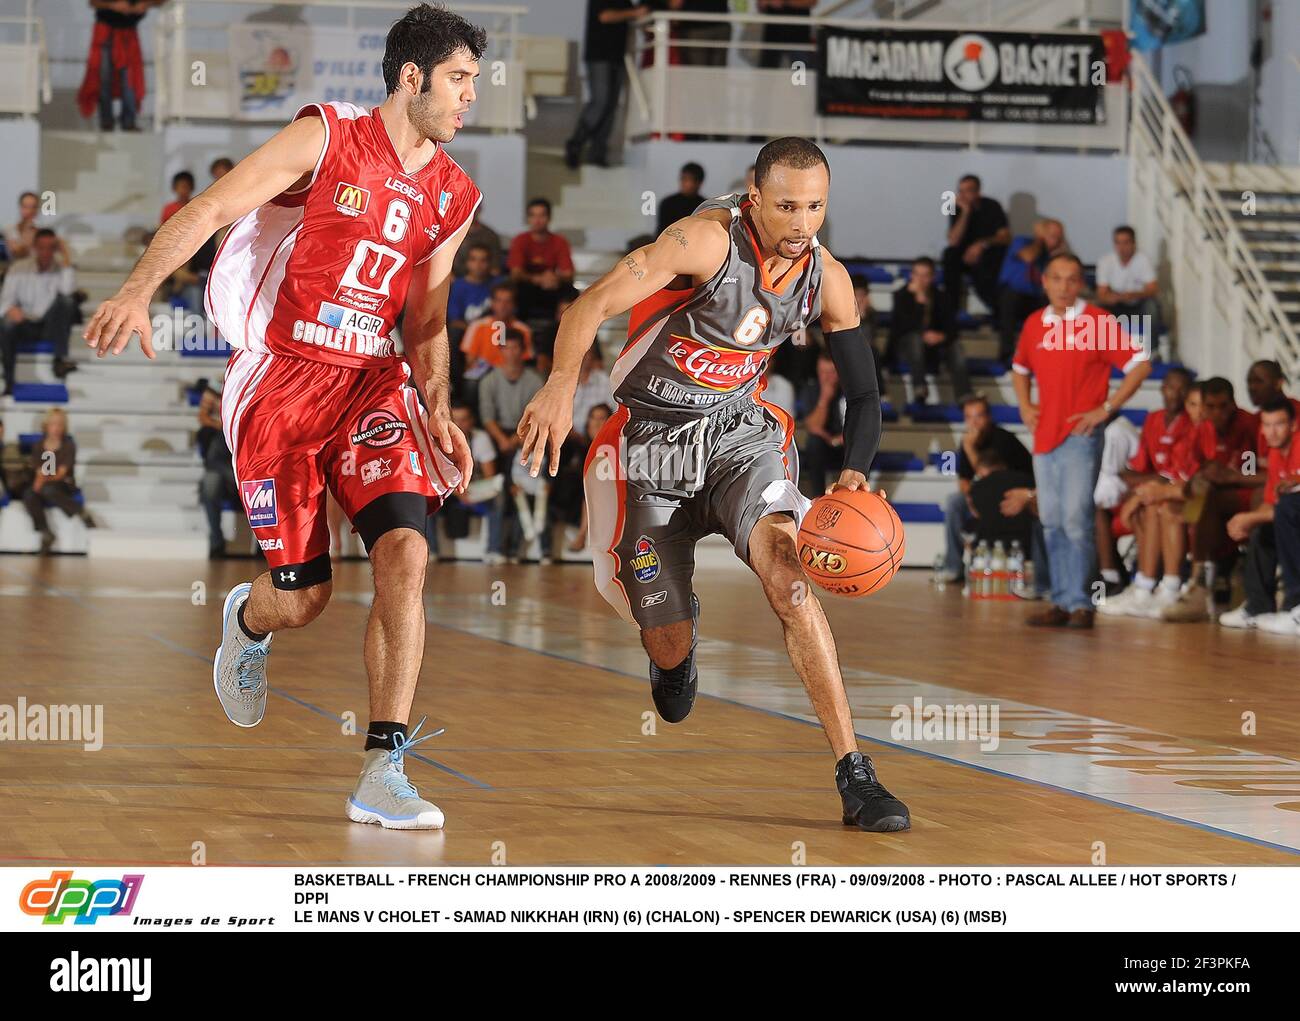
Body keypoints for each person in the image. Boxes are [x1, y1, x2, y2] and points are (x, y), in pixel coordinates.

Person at [84, 3, 485, 831]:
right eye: (458, 79)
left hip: (373, 383)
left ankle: (382, 766)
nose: (469, 95)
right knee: (305, 597)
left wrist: (439, 405)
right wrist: (137, 287)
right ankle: (247, 617)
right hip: (282, 381)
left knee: (406, 554)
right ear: (411, 77)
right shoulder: (325, 136)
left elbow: (429, 321)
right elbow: (209, 211)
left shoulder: (454, 191)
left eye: (473, 80)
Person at [517, 136, 910, 832]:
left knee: (790, 582)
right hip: (652, 443)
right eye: (787, 205)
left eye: (815, 206)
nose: (801, 222)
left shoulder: (830, 279)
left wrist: (855, 469)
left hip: (740, 438)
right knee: (664, 636)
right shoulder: (701, 243)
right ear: (754, 198)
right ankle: (676, 653)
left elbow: (866, 394)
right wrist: (557, 385)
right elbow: (589, 305)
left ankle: (856, 771)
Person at [1012, 253, 1151, 628]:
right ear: (1045, 281)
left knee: (1076, 520)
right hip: (1044, 437)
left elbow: (1140, 364)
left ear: (1081, 283)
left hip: (1080, 436)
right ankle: (1060, 600)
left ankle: (1081, 604)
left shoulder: (1097, 321)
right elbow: (1020, 368)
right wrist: (1025, 404)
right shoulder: (1034, 324)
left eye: (1071, 279)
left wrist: (1106, 408)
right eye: (1056, 278)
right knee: (1053, 521)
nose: (1063, 286)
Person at [1100, 367, 1196, 618]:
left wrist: (1149, 489)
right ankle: (1142, 586)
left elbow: (1186, 479)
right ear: (1161, 389)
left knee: (1157, 505)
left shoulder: (1194, 426)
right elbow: (1134, 471)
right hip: (1155, 490)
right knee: (1145, 505)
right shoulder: (1154, 419)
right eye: (1170, 386)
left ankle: (1162, 585)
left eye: (1182, 388)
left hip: (1184, 496)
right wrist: (1144, 489)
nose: (1175, 393)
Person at [1219, 398, 1300, 633]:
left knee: (1283, 509)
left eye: (1279, 424)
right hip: (1291, 515)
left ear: (1293, 425)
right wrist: (1246, 519)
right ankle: (1258, 605)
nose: (1272, 432)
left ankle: (1296, 605)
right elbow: (1270, 504)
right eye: (1267, 425)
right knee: (1263, 527)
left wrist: (1252, 517)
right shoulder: (1275, 454)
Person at [942, 393, 1038, 585]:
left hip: (1018, 493)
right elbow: (964, 479)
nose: (974, 423)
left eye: (978, 416)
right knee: (953, 502)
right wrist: (970, 499)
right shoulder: (968, 441)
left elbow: (991, 479)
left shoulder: (1003, 439)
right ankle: (953, 566)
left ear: (988, 417)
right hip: (984, 495)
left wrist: (969, 448)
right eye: (969, 417)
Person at [479, 329, 544, 563]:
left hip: (525, 437)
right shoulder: (489, 380)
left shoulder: (535, 380)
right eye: (508, 347)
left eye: (517, 347)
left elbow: (535, 416)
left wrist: (515, 440)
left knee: (520, 489)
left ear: (523, 351)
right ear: (501, 350)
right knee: (497, 487)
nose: (512, 352)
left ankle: (516, 549)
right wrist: (502, 440)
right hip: (496, 437)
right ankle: (494, 548)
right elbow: (487, 416)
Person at [566, 1, 648, 169]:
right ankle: (576, 144)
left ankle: (598, 152)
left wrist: (635, 13)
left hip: (616, 57)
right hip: (599, 56)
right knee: (600, 102)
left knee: (610, 106)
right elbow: (605, 16)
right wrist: (633, 13)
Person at [0, 229, 79, 387]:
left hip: (50, 326)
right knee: (6, 324)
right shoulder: (18, 268)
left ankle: (59, 360)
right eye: (42, 247)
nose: (46, 252)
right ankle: (9, 380)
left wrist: (66, 257)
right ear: (35, 248)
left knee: (66, 303)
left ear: (55, 249)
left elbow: (68, 291)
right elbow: (5, 300)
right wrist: (11, 309)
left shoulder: (60, 269)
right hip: (25, 324)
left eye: (51, 247)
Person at [887, 255, 968, 405]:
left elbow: (952, 327)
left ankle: (964, 395)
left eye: (925, 275)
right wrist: (919, 305)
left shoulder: (942, 297)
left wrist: (941, 336)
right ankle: (919, 387)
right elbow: (901, 328)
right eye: (917, 274)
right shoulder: (901, 296)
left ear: (932, 277)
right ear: (912, 275)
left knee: (956, 347)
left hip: (934, 348)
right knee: (914, 339)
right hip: (908, 348)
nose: (921, 280)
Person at [22, 408, 96, 553]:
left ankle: (80, 512)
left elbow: (61, 473)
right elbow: (39, 469)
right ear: (46, 426)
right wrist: (38, 481)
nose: (56, 428)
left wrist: (42, 479)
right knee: (29, 494)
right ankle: (46, 532)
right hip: (45, 482)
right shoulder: (39, 446)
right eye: (53, 424)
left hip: (63, 484)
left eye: (60, 425)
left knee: (47, 489)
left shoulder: (68, 445)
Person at [997, 218, 1068, 364]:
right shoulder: (1022, 242)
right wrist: (1039, 241)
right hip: (1011, 295)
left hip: (1034, 298)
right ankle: (1007, 355)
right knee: (1009, 300)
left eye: (1059, 238)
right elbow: (1028, 257)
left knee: (1056, 306)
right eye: (1053, 236)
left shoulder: (1050, 258)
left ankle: (1049, 353)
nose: (1056, 241)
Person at [80, 0, 154, 132]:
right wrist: (113, 6)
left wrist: (145, 4)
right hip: (106, 31)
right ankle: (106, 121)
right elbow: (93, 2)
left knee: (130, 80)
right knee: (104, 78)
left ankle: (128, 121)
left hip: (129, 32)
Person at [941, 174, 1010, 314]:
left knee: (984, 269)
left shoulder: (992, 206)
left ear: (977, 192)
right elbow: (953, 240)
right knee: (949, 255)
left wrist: (981, 244)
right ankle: (951, 312)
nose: (963, 195)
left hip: (988, 253)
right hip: (963, 254)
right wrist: (965, 213)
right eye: (961, 191)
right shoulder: (955, 207)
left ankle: (998, 311)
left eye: (967, 190)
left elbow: (1005, 237)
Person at [507, 198, 575, 320]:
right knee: (516, 289)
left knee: (571, 292)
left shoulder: (559, 241)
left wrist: (554, 278)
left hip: (553, 286)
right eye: (533, 215)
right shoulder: (520, 240)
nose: (537, 220)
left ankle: (564, 331)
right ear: (528, 219)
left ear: (549, 218)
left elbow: (568, 274)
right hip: (527, 287)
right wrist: (537, 279)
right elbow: (515, 273)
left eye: (542, 215)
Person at [1095, 225, 1158, 345]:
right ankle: (1101, 349)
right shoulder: (1105, 261)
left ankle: (1153, 348)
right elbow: (1101, 293)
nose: (1122, 247)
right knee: (1098, 310)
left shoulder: (1143, 260)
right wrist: (1113, 298)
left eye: (1126, 242)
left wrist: (1134, 295)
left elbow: (1153, 289)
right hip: (1116, 305)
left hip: (1138, 304)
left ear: (1134, 243)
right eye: (1118, 243)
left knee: (1152, 307)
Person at [197, 381, 237, 559]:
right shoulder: (216, 384)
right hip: (222, 448)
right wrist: (223, 426)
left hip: (246, 445)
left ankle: (262, 546)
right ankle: (216, 542)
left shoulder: (258, 377)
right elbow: (203, 417)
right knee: (210, 484)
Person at [459, 282, 534, 371]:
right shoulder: (477, 326)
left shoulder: (523, 330)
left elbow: (525, 361)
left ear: (514, 305)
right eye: (499, 301)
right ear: (492, 303)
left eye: (508, 301)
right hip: (483, 375)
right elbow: (470, 362)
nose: (503, 306)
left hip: (512, 374)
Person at [656, 162, 706, 234]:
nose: (688, 184)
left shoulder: (705, 207)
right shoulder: (668, 204)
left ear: (700, 182)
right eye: (685, 179)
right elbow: (661, 233)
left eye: (693, 180)